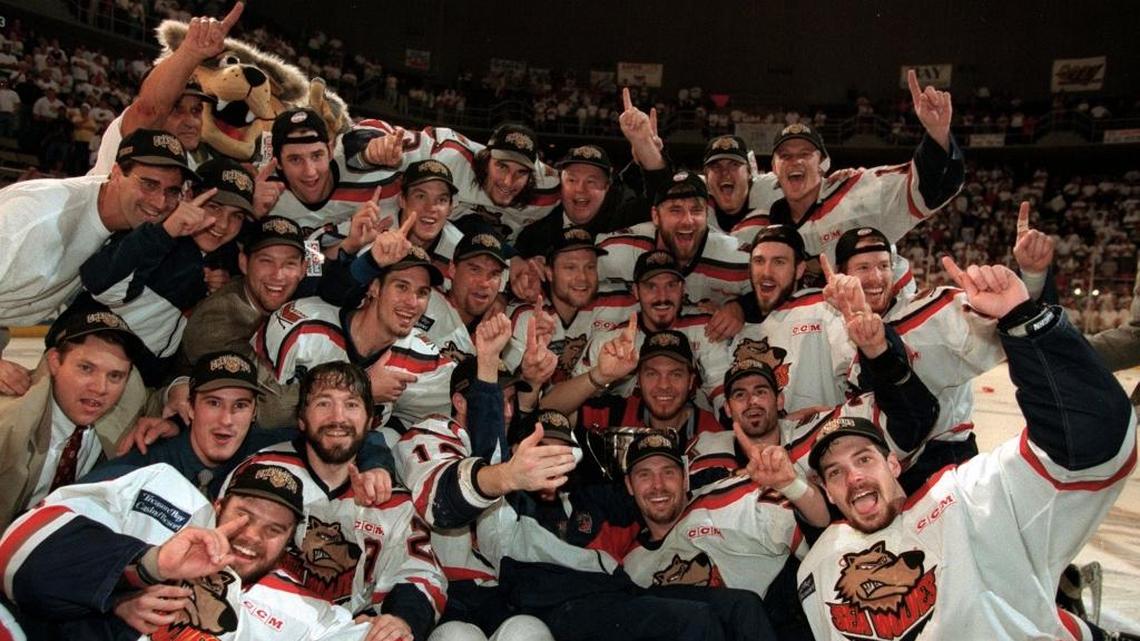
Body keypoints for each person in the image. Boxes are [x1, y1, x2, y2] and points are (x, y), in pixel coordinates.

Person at [796, 256, 1135, 640]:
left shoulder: (965, 498)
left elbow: (1090, 445)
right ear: (827, 491)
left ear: (894, 464)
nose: (853, 475)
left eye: (863, 458)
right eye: (835, 472)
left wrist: (1023, 320)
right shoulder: (818, 567)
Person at [0, 461, 374, 639]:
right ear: (218, 506)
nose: (253, 537)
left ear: (289, 541)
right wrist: (142, 570)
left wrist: (398, 624)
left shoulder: (300, 610)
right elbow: (20, 550)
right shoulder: (164, 500)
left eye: (275, 529)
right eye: (244, 514)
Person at [221, 362, 447, 640]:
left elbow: (420, 573)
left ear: (369, 421)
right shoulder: (259, 472)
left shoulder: (394, 503)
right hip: (259, 622)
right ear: (301, 418)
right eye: (323, 403)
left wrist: (401, 618)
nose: (338, 417)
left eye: (351, 405)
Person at [394, 313, 561, 640]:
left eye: (511, 401)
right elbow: (443, 503)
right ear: (458, 401)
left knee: (529, 630)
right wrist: (486, 364)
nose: (509, 412)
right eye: (498, 401)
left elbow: (493, 449)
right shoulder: (428, 433)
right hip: (437, 587)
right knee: (458, 637)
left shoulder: (509, 449)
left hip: (495, 587)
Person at [0, 129, 198, 390]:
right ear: (116, 173)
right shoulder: (34, 215)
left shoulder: (130, 231)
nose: (160, 202)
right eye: (148, 184)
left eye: (172, 191)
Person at [73, 157, 253, 385]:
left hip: (147, 382)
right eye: (214, 207)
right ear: (188, 196)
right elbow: (99, 284)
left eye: (236, 216)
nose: (223, 224)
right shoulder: (151, 232)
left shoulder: (223, 256)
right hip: (92, 368)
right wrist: (165, 233)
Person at [255, 240, 454, 429]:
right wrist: (360, 390)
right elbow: (263, 412)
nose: (412, 302)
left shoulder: (418, 353)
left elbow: (462, 400)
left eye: (422, 293)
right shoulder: (301, 327)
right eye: (401, 287)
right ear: (375, 288)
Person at [0, 309, 147, 529]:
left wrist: (176, 392)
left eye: (115, 376)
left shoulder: (130, 403)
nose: (100, 388)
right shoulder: (8, 422)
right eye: (86, 368)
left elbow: (161, 400)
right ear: (55, 361)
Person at [541, 328, 723, 483]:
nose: (664, 385)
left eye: (675, 374)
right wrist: (599, 376)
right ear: (638, 379)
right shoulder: (617, 411)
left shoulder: (710, 431)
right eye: (652, 374)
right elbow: (546, 411)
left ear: (691, 381)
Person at [88, 2, 243, 174]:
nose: (191, 122)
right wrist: (191, 53)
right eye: (176, 110)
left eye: (196, 110)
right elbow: (149, 110)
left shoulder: (192, 165)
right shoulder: (130, 138)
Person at [575, 249, 729, 411]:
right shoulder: (609, 341)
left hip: (691, 428)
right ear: (636, 291)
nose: (662, 296)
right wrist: (601, 376)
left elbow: (721, 389)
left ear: (683, 288)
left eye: (670, 285)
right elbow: (572, 403)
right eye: (651, 286)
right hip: (627, 428)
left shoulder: (705, 326)